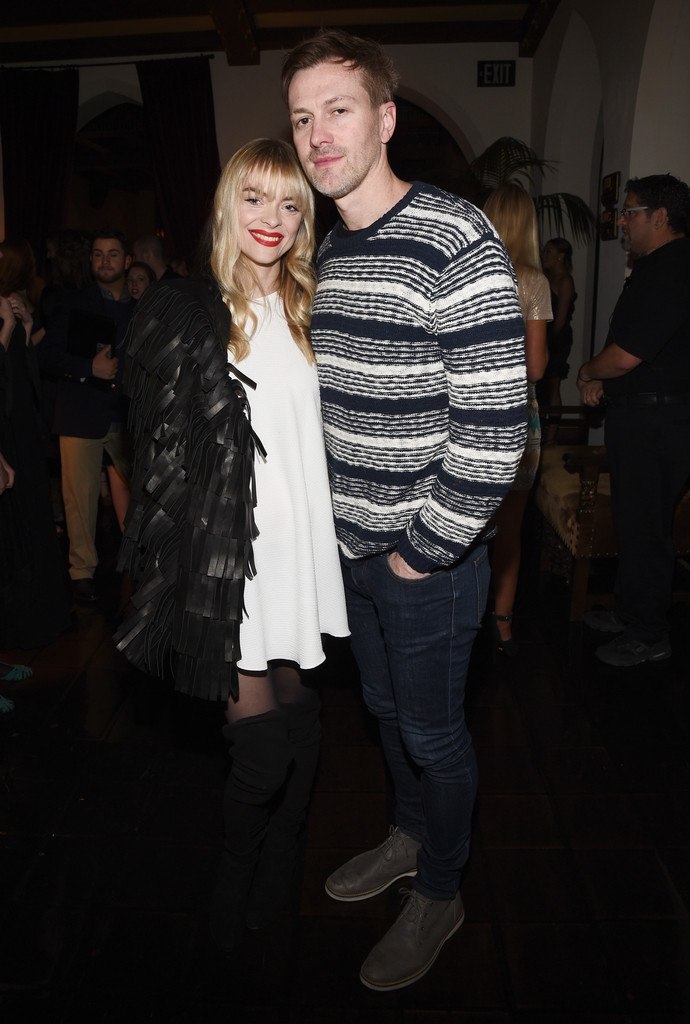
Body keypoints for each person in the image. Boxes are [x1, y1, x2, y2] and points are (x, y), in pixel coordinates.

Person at [282, 29, 526, 991]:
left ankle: (441, 889)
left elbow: (497, 430)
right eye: (302, 117)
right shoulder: (332, 247)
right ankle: (409, 833)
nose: (317, 134)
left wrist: (421, 552)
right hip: (354, 552)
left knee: (433, 734)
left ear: (384, 119)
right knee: (384, 713)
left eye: (338, 110)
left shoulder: (453, 236)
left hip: (430, 560)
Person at [115, 138, 349, 953]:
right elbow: (157, 455)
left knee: (301, 715)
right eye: (255, 198)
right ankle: (239, 863)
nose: (271, 218)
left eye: (289, 203)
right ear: (227, 204)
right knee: (260, 748)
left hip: (303, 553)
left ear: (305, 218)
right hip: (229, 560)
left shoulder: (318, 307)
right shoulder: (189, 310)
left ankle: (285, 851)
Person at [578, 173, 690, 667]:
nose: (622, 221)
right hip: (645, 416)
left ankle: (648, 632)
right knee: (634, 520)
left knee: (646, 527)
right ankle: (630, 612)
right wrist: (608, 383)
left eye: (630, 212)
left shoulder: (673, 268)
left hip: (658, 422)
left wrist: (589, 371)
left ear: (660, 217)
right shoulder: (659, 266)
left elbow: (627, 356)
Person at [38, 228, 134, 604]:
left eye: (112, 254)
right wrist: (87, 369)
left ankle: (144, 560)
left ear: (127, 261)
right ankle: (82, 573)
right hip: (80, 412)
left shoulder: (141, 305)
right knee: (78, 500)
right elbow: (47, 356)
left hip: (127, 414)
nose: (104, 261)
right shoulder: (73, 302)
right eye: (98, 254)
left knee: (148, 490)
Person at [483, 183, 551, 655]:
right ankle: (502, 623)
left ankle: (461, 617)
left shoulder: (468, 269)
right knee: (509, 527)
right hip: (514, 418)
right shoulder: (531, 280)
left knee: (460, 520)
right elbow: (537, 367)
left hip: (463, 412)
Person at [0, 245, 71, 656]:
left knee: (33, 517)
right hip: (7, 433)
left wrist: (25, 330)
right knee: (16, 525)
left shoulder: (13, 304)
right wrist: (8, 330)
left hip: (22, 430)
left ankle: (41, 614)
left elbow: (23, 377)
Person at [539, 236, 576, 442]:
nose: (544, 256)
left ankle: (551, 438)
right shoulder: (545, 278)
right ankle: (538, 433)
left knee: (553, 384)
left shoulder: (565, 281)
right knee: (540, 386)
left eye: (549, 252)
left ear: (560, 256)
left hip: (556, 339)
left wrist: (548, 342)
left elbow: (560, 319)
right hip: (542, 336)